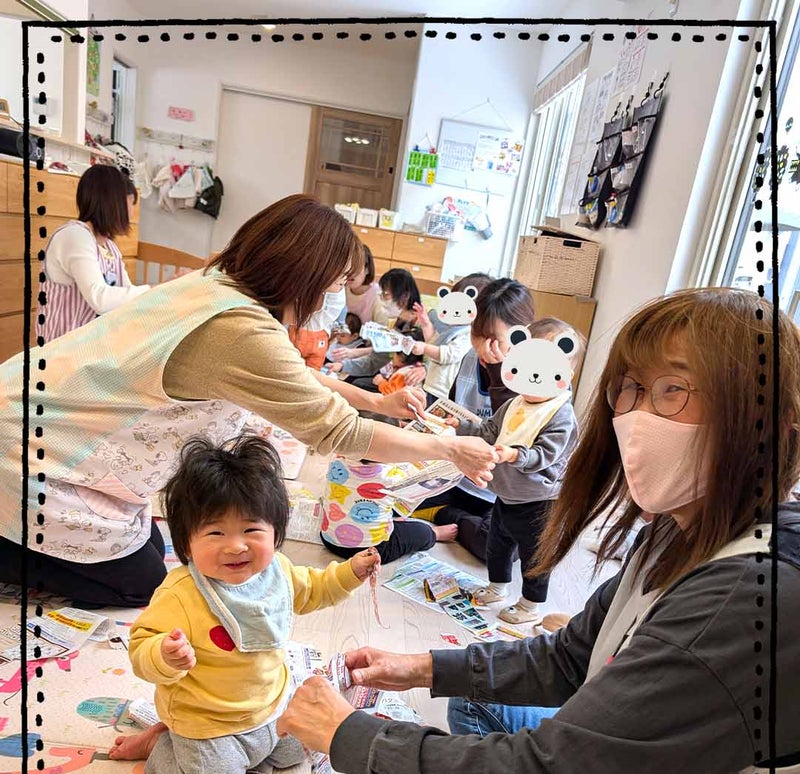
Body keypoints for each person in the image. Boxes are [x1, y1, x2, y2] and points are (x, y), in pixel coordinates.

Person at [275, 288, 800, 774]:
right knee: (476, 706)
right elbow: (570, 656)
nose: (637, 416)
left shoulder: (748, 600)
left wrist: (349, 736)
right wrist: (420, 666)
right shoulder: (683, 528)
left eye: (673, 390)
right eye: (630, 390)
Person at [0, 194, 496, 609]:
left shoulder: (216, 284)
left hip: (32, 406)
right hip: (30, 448)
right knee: (143, 587)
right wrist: (449, 449)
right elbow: (341, 431)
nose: (329, 299)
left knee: (151, 545)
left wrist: (380, 404)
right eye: (331, 285)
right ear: (303, 275)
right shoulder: (239, 328)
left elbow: (292, 375)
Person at [108, 434, 379, 774]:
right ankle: (159, 745)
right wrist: (164, 655)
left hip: (269, 704)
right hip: (207, 722)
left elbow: (314, 589)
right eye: (215, 532)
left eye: (251, 530)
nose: (236, 546)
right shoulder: (182, 593)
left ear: (275, 532)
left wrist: (350, 573)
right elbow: (141, 647)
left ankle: (237, 756)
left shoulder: (278, 571)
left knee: (300, 750)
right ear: (186, 543)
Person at [452, 319, 580, 625]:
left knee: (535, 556)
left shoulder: (561, 415)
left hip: (539, 501)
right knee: (497, 546)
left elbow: (546, 455)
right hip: (506, 495)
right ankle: (497, 588)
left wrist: (514, 454)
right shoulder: (514, 404)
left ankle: (529, 605)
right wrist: (459, 425)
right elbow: (488, 430)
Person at [414, 279, 539, 560]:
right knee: (389, 498)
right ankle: (447, 511)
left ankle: (445, 514)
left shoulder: (539, 375)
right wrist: (428, 423)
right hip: (459, 476)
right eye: (476, 334)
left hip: (503, 491)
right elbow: (452, 412)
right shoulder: (469, 358)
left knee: (498, 549)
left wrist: (498, 374)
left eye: (493, 339)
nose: (483, 347)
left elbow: (514, 435)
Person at [39, 164, 151, 342]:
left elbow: (127, 297)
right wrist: (153, 289)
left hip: (94, 344)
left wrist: (163, 291)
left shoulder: (110, 247)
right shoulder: (75, 236)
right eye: (130, 203)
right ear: (112, 203)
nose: (131, 213)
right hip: (65, 347)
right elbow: (100, 299)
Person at [320, 455, 457, 565]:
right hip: (372, 551)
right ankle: (435, 534)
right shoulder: (392, 476)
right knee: (421, 531)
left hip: (329, 539)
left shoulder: (337, 461)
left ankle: (389, 523)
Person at [409, 272, 492, 404]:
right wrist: (426, 323)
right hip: (432, 386)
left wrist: (424, 348)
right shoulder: (453, 329)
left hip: (443, 392)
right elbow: (434, 343)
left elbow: (449, 354)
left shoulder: (468, 333)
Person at [372, 328, 426, 395]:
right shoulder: (416, 367)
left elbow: (391, 393)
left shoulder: (402, 374)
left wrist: (381, 382)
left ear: (401, 356)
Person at [344, 244, 381, 324]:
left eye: (356, 267)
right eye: (347, 266)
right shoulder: (340, 289)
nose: (350, 272)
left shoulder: (378, 295)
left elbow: (383, 328)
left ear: (367, 269)